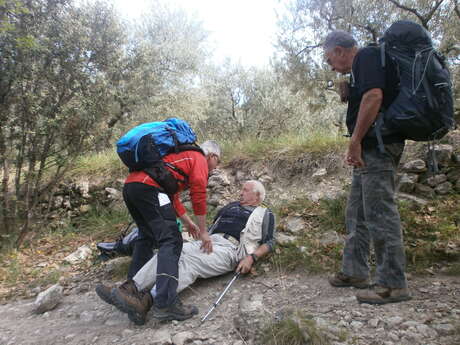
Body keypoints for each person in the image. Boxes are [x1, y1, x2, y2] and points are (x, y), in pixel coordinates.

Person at [96, 180, 275, 325]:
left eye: (245, 190)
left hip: (231, 249)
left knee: (189, 262)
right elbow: (213, 226)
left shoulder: (265, 214)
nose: (240, 192)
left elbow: (270, 242)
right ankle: (130, 288)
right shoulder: (229, 206)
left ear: (257, 195)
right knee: (171, 250)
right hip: (211, 240)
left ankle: (146, 301)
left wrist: (251, 258)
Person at [323, 30, 411, 304]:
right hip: (372, 148)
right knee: (357, 212)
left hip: (377, 147)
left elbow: (374, 97)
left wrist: (355, 140)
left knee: (379, 214)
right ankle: (355, 271)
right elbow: (370, 95)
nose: (330, 65)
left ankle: (393, 284)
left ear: (340, 50)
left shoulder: (367, 56)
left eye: (329, 59)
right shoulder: (364, 66)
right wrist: (352, 93)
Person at [96, 140, 221, 321]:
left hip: (132, 187)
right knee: (172, 241)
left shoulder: (178, 158)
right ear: (212, 156)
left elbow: (172, 195)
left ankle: (129, 295)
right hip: (149, 188)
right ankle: (166, 302)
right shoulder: (199, 158)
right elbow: (199, 195)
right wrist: (203, 231)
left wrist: (187, 222)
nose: (215, 168)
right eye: (217, 163)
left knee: (146, 237)